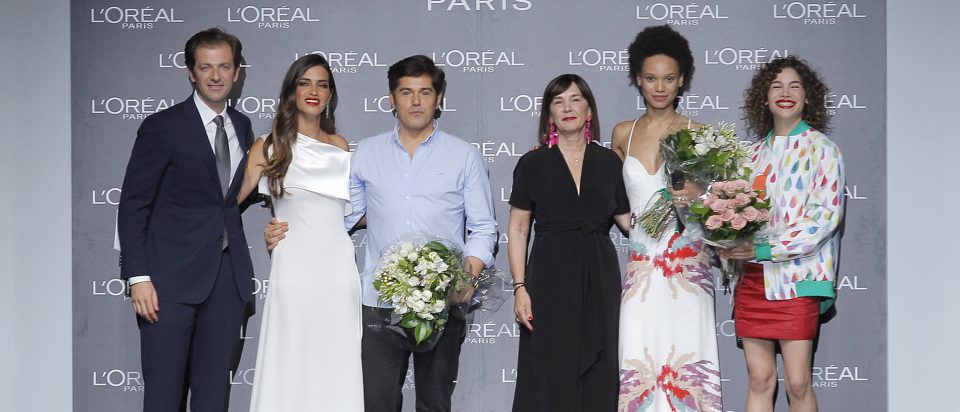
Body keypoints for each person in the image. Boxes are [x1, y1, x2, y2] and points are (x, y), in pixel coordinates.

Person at [264, 55, 497, 412]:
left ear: (438, 99)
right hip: (378, 302)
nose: (415, 101)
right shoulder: (365, 154)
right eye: (406, 92)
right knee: (376, 403)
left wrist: (466, 278)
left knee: (434, 404)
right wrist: (285, 226)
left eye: (425, 92)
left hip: (443, 302)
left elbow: (482, 226)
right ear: (392, 99)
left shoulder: (464, 156)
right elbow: (338, 217)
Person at [117, 28, 255, 411]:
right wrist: (138, 277)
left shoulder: (242, 126)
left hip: (226, 282)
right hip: (168, 284)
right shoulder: (163, 126)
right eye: (206, 67)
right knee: (163, 396)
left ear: (236, 72)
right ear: (191, 73)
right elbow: (133, 205)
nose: (216, 76)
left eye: (224, 66)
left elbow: (229, 200)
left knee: (212, 398)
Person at [238, 54, 363, 411]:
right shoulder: (267, 145)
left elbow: (353, 214)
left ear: (330, 95)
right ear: (291, 91)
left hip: (338, 269)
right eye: (304, 83)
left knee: (336, 360)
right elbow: (228, 205)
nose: (313, 91)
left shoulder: (340, 146)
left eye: (322, 85)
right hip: (293, 268)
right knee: (290, 356)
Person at [720, 55, 844, 412]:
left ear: (807, 97)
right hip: (752, 281)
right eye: (776, 86)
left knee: (798, 382)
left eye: (794, 86)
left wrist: (764, 250)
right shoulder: (750, 156)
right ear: (764, 97)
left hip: (798, 278)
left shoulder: (823, 150)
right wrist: (726, 238)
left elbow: (823, 220)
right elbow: (733, 216)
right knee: (759, 379)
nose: (785, 93)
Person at [611, 25, 722, 411]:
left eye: (669, 78)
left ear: (682, 80)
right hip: (641, 266)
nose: (660, 87)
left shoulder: (701, 133)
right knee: (638, 356)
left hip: (688, 266)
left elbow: (718, 209)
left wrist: (696, 197)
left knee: (689, 359)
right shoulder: (623, 134)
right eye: (651, 78)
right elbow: (610, 197)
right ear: (637, 79)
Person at [508, 74, 632, 411]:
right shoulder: (532, 163)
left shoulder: (608, 162)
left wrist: (676, 206)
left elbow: (628, 222)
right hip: (549, 275)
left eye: (575, 99)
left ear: (589, 110)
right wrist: (519, 287)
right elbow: (518, 229)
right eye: (558, 101)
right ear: (549, 114)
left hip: (599, 274)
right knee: (550, 366)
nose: (567, 108)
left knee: (601, 368)